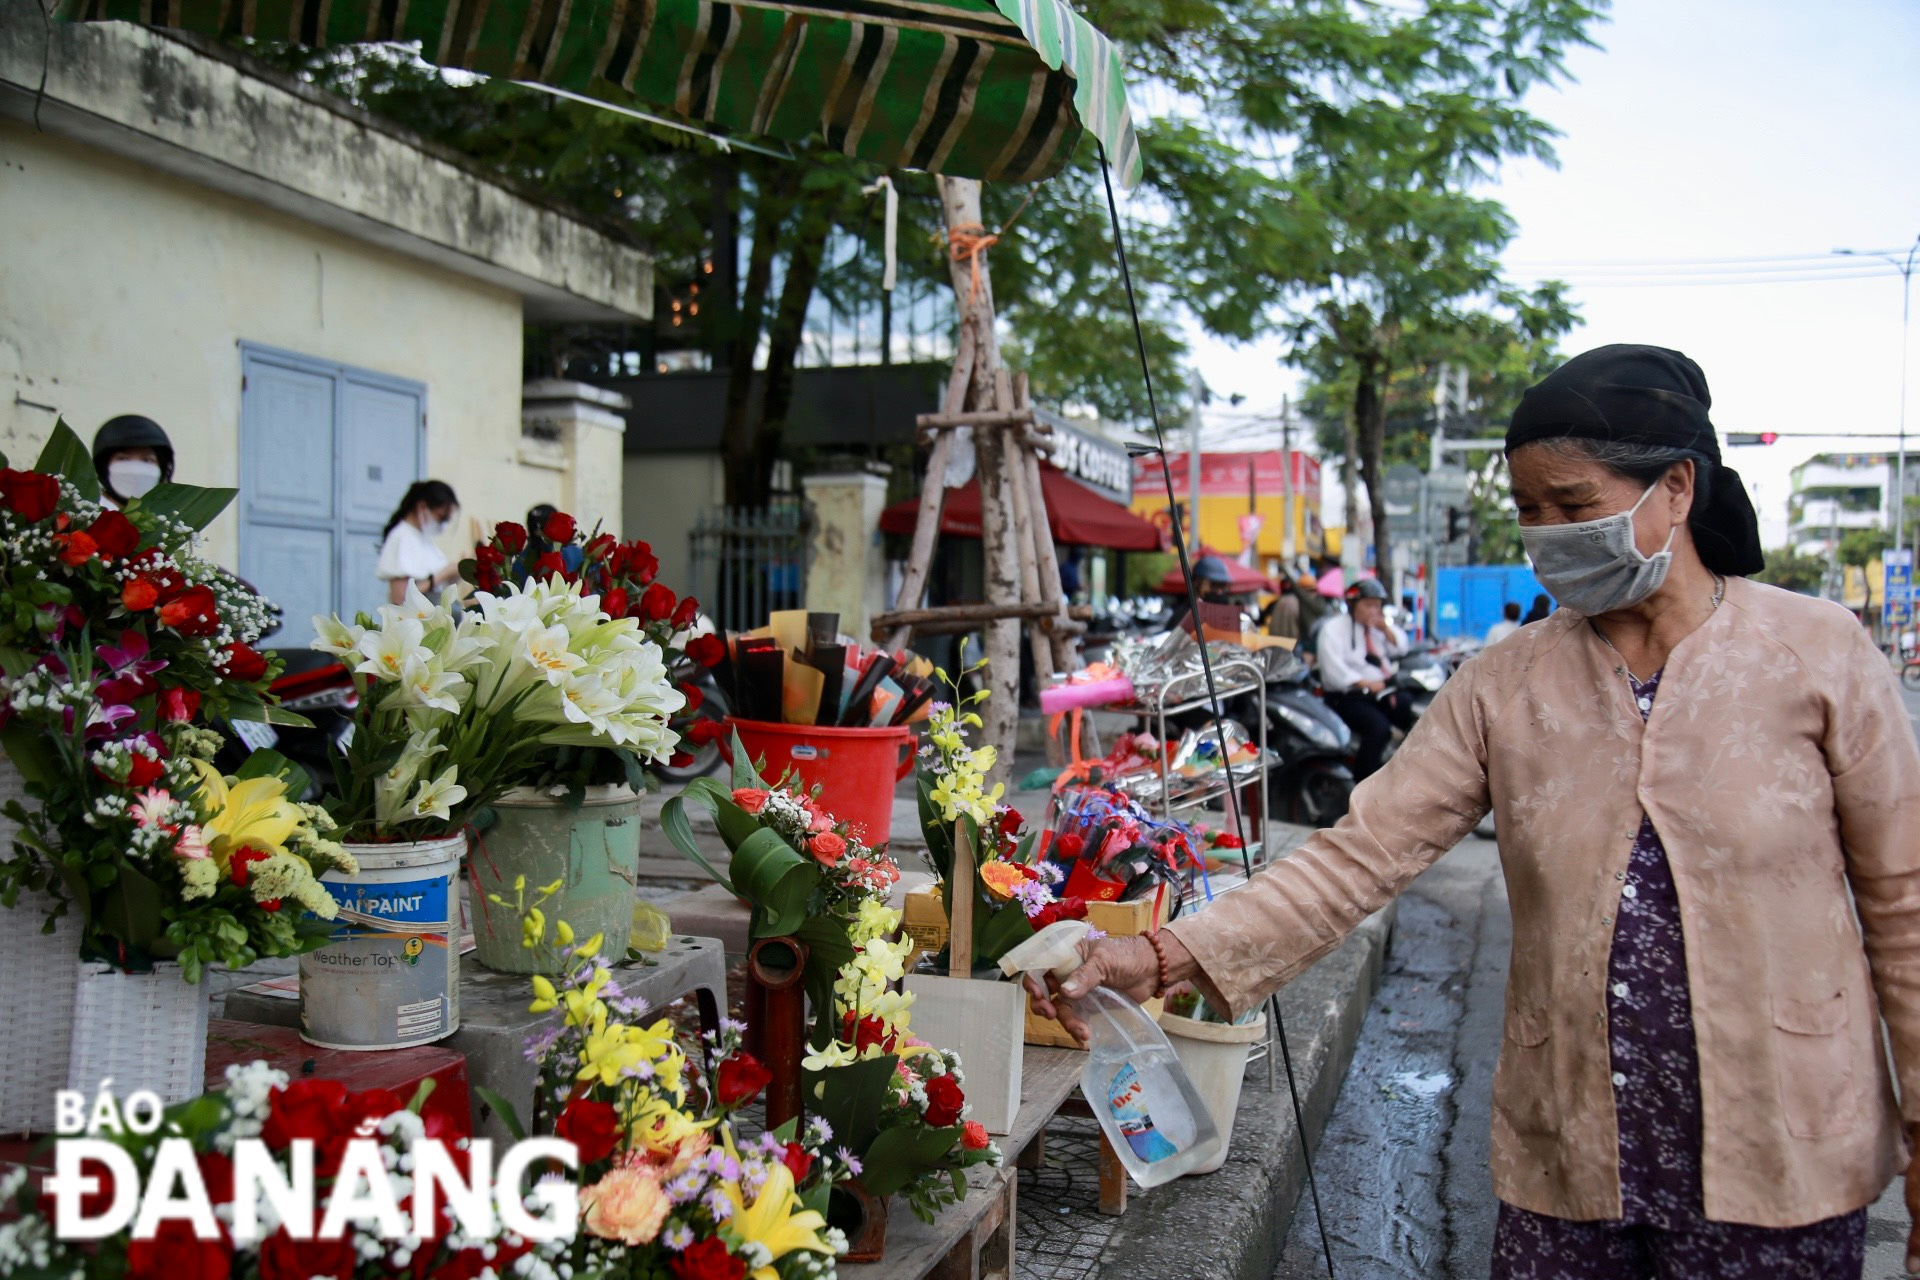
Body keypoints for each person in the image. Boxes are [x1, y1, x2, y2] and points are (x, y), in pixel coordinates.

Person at [1030, 345, 1920, 1280]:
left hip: (1784, 1152)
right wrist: (1165, 954)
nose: (1548, 534)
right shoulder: (1505, 682)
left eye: (1574, 507)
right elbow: (1358, 856)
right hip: (1569, 1153)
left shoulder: (1818, 653)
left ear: (1679, 489)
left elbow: (1903, 907)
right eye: (1529, 511)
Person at [1315, 577, 1415, 779]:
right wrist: (1365, 683)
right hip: (1348, 696)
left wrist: (1385, 629)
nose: (1373, 611)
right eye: (1368, 605)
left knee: (1410, 711)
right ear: (1353, 604)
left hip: (1379, 692)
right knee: (1378, 728)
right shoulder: (1333, 629)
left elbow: (1402, 646)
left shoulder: (1376, 629)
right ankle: (1364, 782)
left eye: (1377, 606)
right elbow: (1333, 671)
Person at [376, 480, 461, 605]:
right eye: (441, 517)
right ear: (422, 507)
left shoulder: (424, 539)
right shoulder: (401, 537)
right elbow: (400, 598)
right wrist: (442, 575)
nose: (443, 524)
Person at [92, 415, 174, 508]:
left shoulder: (172, 516)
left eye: (147, 460)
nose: (136, 469)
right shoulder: (83, 514)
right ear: (103, 466)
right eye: (124, 459)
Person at [1259, 574, 1302, 641]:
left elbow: (1261, 620)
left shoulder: (1275, 603)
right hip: (1293, 643)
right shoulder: (1298, 602)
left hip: (1277, 643)